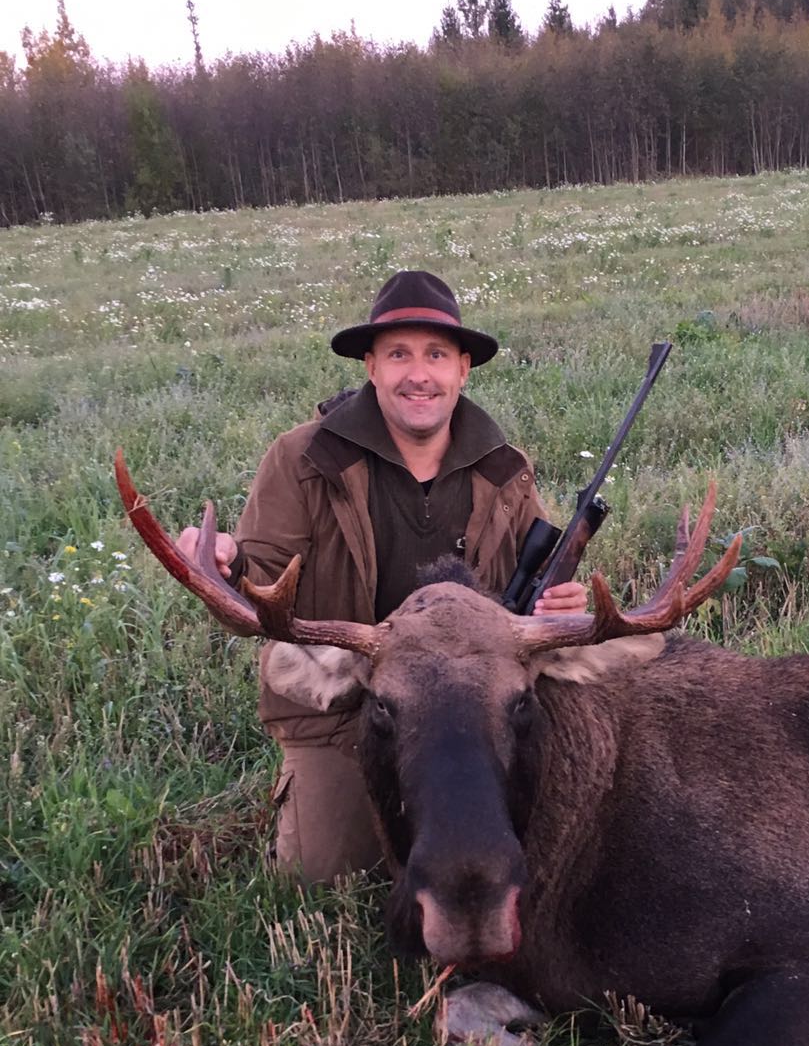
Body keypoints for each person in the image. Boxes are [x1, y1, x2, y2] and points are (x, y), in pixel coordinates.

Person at [176, 269, 587, 884]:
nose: (418, 374)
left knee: (550, 845)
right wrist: (229, 569)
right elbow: (261, 582)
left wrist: (557, 607)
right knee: (325, 874)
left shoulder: (505, 467)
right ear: (370, 366)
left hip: (473, 703)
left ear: (463, 370)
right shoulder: (304, 458)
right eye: (398, 354)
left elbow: (529, 589)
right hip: (348, 697)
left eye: (436, 355)